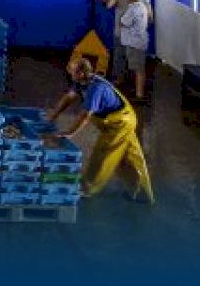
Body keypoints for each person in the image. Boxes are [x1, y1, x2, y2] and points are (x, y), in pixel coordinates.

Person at [47, 58, 155, 203]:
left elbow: (86, 116)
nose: (69, 72)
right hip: (120, 119)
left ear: (81, 73)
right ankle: (142, 193)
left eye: (71, 70)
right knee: (132, 156)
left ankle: (86, 188)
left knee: (102, 153)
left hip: (120, 123)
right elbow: (68, 98)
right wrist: (52, 116)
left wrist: (70, 133)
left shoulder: (96, 88)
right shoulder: (81, 82)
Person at [104, 0, 151, 96]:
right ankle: (123, 82)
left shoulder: (141, 3)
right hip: (123, 36)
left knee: (136, 66)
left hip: (133, 39)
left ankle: (138, 92)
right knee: (120, 59)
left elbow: (124, 22)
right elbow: (109, 5)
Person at [117, 0, 151, 101]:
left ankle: (139, 95)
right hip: (139, 42)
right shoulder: (142, 6)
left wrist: (121, 18)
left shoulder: (133, 9)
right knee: (138, 68)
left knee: (138, 70)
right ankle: (138, 91)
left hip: (134, 43)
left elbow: (123, 22)